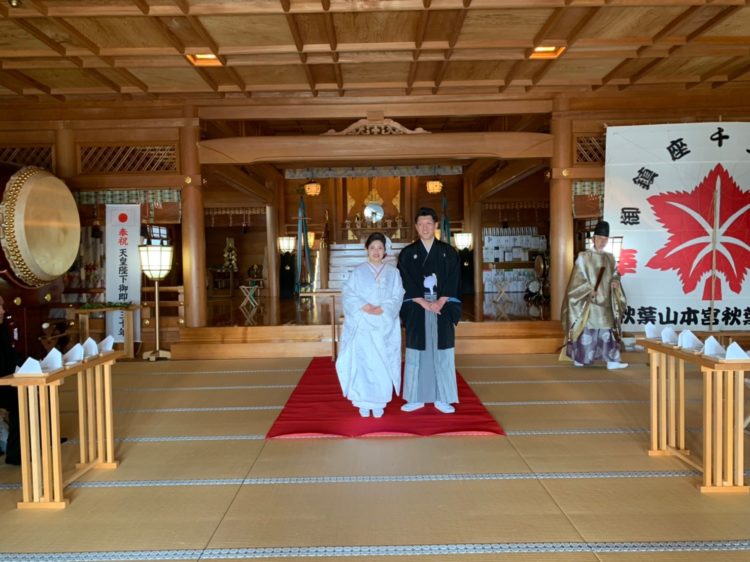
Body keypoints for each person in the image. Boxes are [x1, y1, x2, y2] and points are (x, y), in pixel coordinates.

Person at [398, 207, 461, 414]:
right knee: (417, 352)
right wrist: (425, 303)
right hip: (417, 307)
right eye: (421, 224)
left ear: (435, 225)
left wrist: (440, 302)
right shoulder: (408, 254)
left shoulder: (448, 252)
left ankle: (443, 397)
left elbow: (453, 279)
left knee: (443, 352)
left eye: (429, 223)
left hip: (442, 306)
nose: (425, 227)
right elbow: (405, 281)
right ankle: (415, 396)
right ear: (416, 227)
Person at [335, 233, 405, 418]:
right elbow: (348, 293)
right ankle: (363, 401)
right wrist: (365, 306)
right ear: (367, 249)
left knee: (382, 363)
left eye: (380, 248)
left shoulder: (393, 273)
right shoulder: (358, 271)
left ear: (385, 251)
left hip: (384, 323)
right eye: (373, 247)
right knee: (364, 363)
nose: (376, 251)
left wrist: (384, 309)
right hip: (363, 322)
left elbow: (398, 295)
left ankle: (379, 401)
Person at [561, 220, 628, 370]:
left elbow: (615, 273)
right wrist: (588, 289)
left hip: (605, 302)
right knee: (587, 331)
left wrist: (616, 281)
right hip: (590, 301)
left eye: (605, 239)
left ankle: (612, 360)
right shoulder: (584, 257)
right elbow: (577, 278)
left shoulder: (610, 258)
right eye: (599, 238)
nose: (602, 242)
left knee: (606, 331)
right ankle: (580, 358)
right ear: (593, 239)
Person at [0, 296, 21, 465]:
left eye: (2, 306)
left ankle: (42, 439)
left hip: (5, 381)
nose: (2, 311)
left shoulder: (2, 329)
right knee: (19, 399)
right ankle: (15, 452)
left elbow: (12, 356)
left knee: (30, 393)